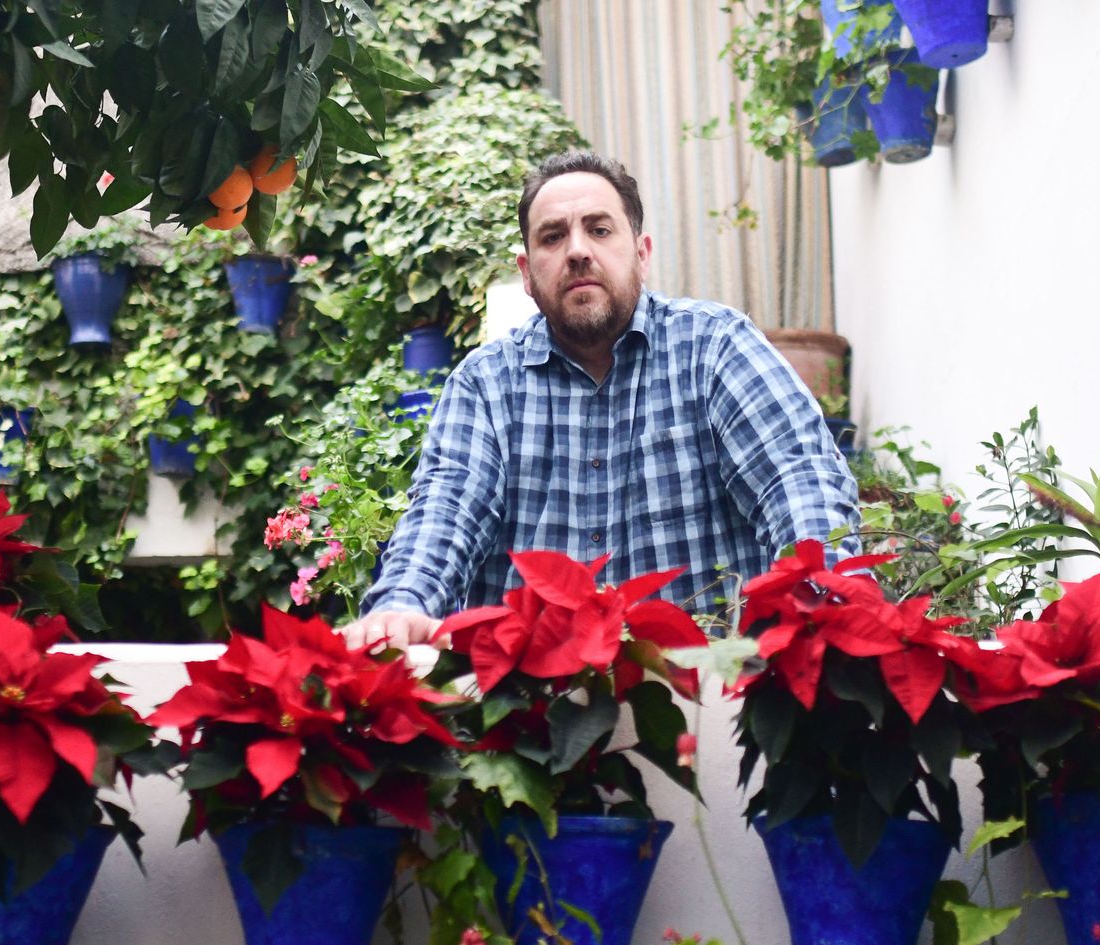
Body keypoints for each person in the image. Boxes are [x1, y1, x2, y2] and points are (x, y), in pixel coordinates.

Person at [340, 150, 858, 650]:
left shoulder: (715, 347)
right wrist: (403, 603)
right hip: (533, 715)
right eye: (553, 236)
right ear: (526, 272)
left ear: (641, 252)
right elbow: (447, 507)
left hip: (708, 704)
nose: (577, 250)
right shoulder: (485, 384)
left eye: (600, 229)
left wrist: (823, 597)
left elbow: (796, 480)